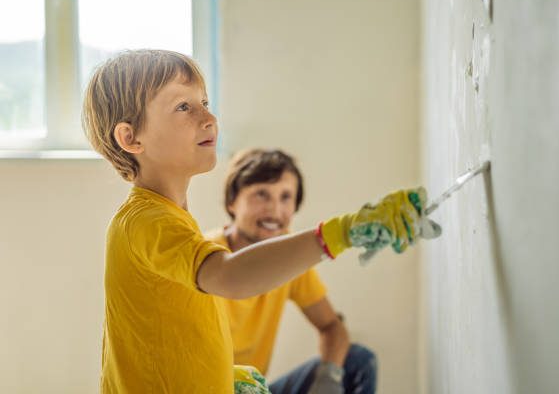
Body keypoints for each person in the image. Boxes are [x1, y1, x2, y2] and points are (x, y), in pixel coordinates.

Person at [82, 49, 440, 393]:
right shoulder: (147, 220)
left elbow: (177, 337)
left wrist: (225, 378)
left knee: (356, 361)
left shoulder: (169, 218)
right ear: (131, 138)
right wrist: (344, 231)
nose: (209, 118)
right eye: (183, 107)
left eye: (204, 103)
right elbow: (231, 276)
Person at [206, 148, 377, 394]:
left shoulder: (288, 258)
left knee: (357, 361)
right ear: (232, 201)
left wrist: (329, 378)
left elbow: (332, 326)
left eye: (286, 197)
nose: (275, 210)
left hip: (256, 390)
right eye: (261, 194)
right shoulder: (206, 258)